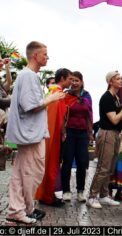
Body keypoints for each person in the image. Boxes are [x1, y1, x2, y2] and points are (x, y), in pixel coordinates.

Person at [6, 41, 65, 224]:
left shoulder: (27, 75)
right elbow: (30, 106)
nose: (47, 57)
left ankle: (20, 209)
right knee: (31, 172)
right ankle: (19, 210)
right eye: (45, 54)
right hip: (30, 134)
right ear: (35, 55)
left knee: (23, 173)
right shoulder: (29, 76)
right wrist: (52, 98)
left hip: (30, 133)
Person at [87, 71, 122, 209]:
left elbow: (121, 120)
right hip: (107, 133)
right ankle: (92, 196)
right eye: (118, 79)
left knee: (110, 168)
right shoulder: (107, 97)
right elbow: (114, 120)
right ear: (110, 82)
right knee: (103, 167)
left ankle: (104, 195)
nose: (121, 81)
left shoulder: (116, 98)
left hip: (115, 133)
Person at [35, 68, 73, 207]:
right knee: (51, 164)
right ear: (62, 79)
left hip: (49, 134)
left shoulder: (52, 93)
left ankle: (45, 194)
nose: (71, 81)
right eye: (69, 79)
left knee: (48, 164)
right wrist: (63, 133)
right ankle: (47, 196)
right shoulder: (57, 94)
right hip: (53, 135)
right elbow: (61, 118)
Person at [61, 71, 93, 202]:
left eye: (77, 80)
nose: (74, 83)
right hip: (69, 132)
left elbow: (89, 115)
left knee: (82, 162)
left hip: (83, 133)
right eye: (72, 80)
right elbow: (62, 116)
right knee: (67, 161)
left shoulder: (87, 96)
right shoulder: (66, 95)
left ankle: (80, 191)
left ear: (82, 82)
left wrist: (90, 133)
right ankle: (66, 191)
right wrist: (63, 132)